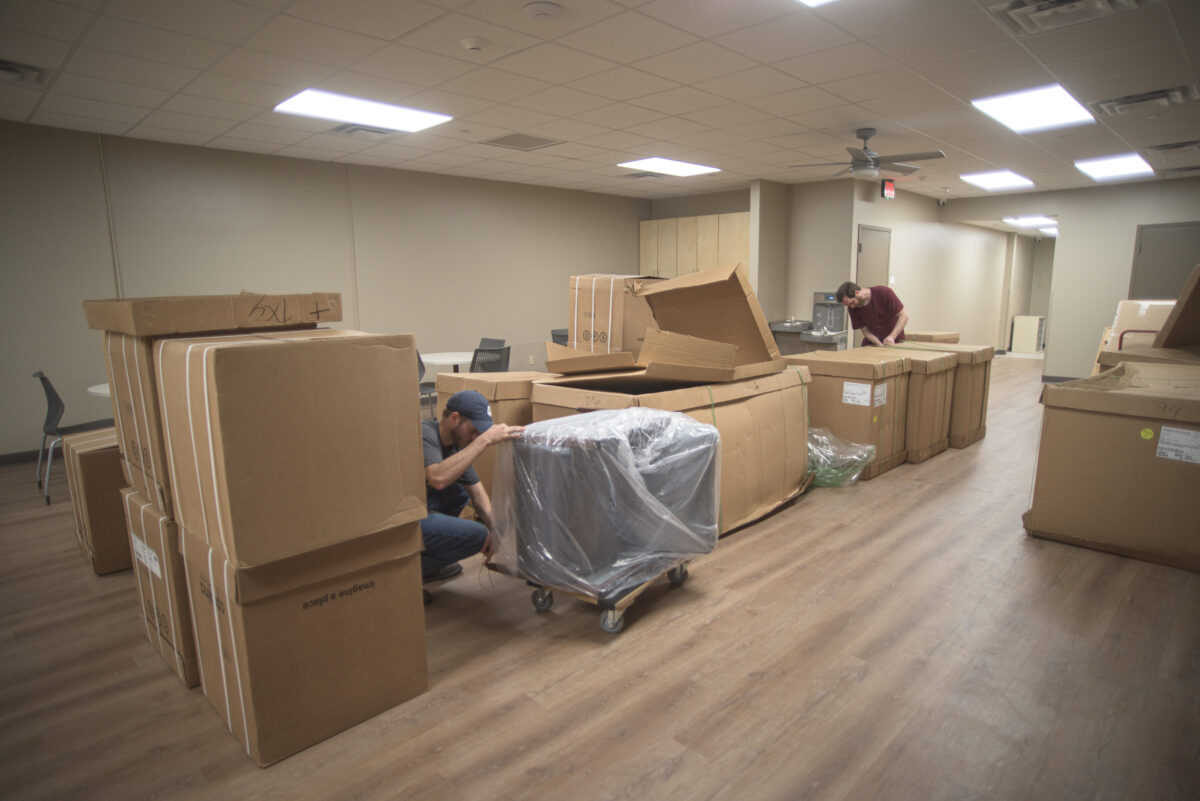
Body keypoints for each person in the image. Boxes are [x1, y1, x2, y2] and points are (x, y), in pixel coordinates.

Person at [420, 389, 524, 585]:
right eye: (473, 430)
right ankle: (407, 574)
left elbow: (477, 495)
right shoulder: (425, 433)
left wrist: (496, 530)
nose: (476, 436)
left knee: (461, 490)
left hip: (424, 511)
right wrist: (485, 440)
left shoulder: (457, 449)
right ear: (454, 418)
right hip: (403, 523)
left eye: (480, 433)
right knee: (476, 535)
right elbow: (438, 477)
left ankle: (425, 567)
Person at [836, 281, 909, 346]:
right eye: (849, 305)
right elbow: (865, 331)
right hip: (873, 344)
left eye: (852, 302)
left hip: (895, 342)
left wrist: (892, 337)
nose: (852, 306)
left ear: (857, 293)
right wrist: (879, 344)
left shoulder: (884, 292)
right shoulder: (852, 308)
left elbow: (904, 315)